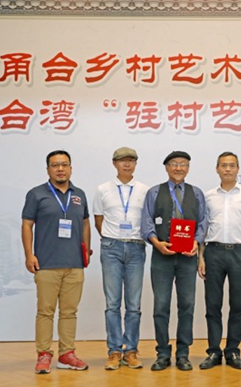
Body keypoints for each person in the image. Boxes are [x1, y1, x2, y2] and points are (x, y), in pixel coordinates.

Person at [21, 150, 91, 374]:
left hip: (74, 264)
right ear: (48, 169)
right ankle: (43, 354)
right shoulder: (36, 194)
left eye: (64, 164)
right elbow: (27, 225)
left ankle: (66, 354)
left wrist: (86, 250)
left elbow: (86, 223)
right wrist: (29, 254)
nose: (60, 169)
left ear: (71, 168)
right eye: (55, 165)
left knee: (69, 312)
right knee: (45, 312)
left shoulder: (79, 195)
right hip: (46, 264)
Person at [141, 151, 208, 371]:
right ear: (166, 167)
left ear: (188, 168)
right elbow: (147, 223)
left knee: (187, 305)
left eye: (183, 164)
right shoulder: (154, 192)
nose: (178, 168)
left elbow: (203, 222)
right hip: (162, 257)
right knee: (161, 306)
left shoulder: (196, 193)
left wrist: (196, 242)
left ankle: (183, 353)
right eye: (174, 164)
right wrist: (156, 243)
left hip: (187, 258)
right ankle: (162, 353)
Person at [197, 152, 241, 370]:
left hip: (239, 254)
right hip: (213, 252)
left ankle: (233, 350)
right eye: (224, 165)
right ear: (217, 169)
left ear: (238, 169)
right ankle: (214, 351)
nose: (228, 169)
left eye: (232, 165)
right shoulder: (208, 196)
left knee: (238, 305)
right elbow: (202, 229)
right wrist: (201, 257)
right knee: (212, 305)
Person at [93, 147, 149, 370]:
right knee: (112, 304)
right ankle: (115, 351)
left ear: (136, 164)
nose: (126, 164)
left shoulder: (145, 190)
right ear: (114, 163)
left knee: (133, 305)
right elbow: (98, 220)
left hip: (136, 247)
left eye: (131, 160)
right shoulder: (102, 189)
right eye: (122, 160)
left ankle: (131, 351)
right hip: (111, 247)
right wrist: (112, 238)